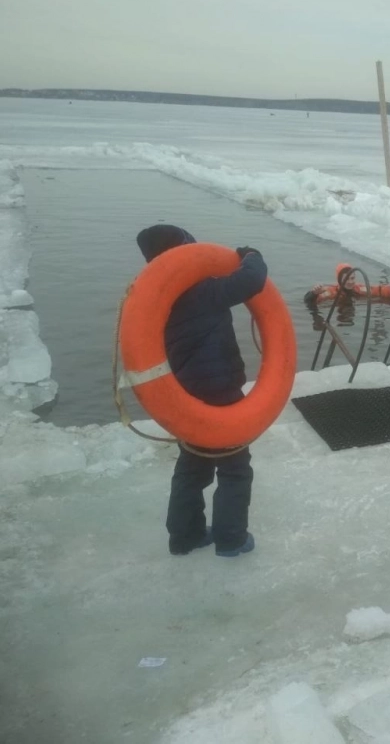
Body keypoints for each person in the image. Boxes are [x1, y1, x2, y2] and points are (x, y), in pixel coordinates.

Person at [135, 224, 266, 557]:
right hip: (222, 392)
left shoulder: (154, 300)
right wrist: (250, 255)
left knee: (193, 467)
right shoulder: (201, 291)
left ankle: (184, 536)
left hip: (187, 393)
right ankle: (231, 539)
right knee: (235, 468)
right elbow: (252, 280)